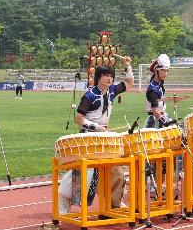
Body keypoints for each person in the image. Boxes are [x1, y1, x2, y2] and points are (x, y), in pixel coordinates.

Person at [55, 59, 134, 217]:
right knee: (82, 172)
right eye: (106, 75)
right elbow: (79, 118)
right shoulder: (90, 95)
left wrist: (128, 65)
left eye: (111, 76)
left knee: (117, 171)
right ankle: (63, 201)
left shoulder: (111, 91)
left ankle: (113, 204)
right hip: (88, 139)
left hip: (104, 138)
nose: (110, 78)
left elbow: (129, 83)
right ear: (98, 77)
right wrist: (96, 127)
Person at [145, 53, 176, 128]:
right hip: (155, 122)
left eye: (167, 71)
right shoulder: (153, 89)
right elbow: (155, 111)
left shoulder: (159, 84)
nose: (166, 74)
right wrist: (166, 123)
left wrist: (169, 120)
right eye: (163, 71)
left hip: (162, 116)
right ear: (156, 71)